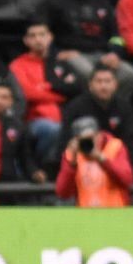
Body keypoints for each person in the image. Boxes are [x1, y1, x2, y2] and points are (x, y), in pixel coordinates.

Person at [39, 0, 133, 102]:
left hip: (101, 54)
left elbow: (116, 35)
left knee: (129, 74)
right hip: (72, 54)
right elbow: (42, 32)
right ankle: (91, 109)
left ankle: (113, 108)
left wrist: (115, 54)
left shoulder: (102, 3)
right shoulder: (54, 2)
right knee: (89, 74)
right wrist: (56, 52)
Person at [9, 19, 83, 171]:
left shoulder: (59, 62)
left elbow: (76, 88)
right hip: (33, 121)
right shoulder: (18, 65)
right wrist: (60, 94)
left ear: (50, 37)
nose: (38, 39)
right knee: (53, 129)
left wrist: (46, 88)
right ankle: (41, 168)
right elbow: (28, 94)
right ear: (26, 40)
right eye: (33, 36)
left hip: (65, 117)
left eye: (42, 35)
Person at [58, 66, 133, 162]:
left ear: (115, 85)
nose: (103, 86)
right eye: (99, 81)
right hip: (83, 160)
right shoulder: (76, 106)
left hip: (115, 160)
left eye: (108, 81)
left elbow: (130, 140)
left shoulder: (124, 107)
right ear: (90, 85)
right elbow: (65, 140)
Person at [54, 116, 133, 207]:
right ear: (76, 140)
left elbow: (127, 180)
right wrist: (72, 164)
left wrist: (102, 159)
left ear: (99, 134)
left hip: (116, 212)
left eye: (92, 137)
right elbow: (62, 193)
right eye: (84, 140)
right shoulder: (72, 154)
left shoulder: (115, 147)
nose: (90, 142)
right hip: (86, 216)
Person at [0, 83, 40, 199]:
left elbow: (25, 156)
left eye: (4, 97)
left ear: (11, 101)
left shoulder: (18, 125)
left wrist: (34, 172)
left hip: (7, 185)